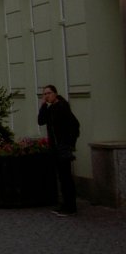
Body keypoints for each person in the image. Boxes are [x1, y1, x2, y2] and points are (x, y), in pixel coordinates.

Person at [38, 84, 81, 216]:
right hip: (55, 147)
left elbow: (75, 125)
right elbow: (41, 121)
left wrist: (69, 143)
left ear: (55, 93)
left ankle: (70, 206)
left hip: (62, 147)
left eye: (49, 93)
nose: (47, 96)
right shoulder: (51, 108)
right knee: (62, 177)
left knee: (66, 177)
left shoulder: (62, 107)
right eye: (44, 94)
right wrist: (43, 106)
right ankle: (65, 204)